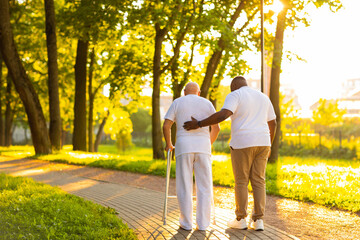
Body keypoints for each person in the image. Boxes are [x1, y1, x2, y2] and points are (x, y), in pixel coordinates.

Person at [183, 76, 276, 231]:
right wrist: (269, 143)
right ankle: (258, 220)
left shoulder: (235, 95)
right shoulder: (263, 97)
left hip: (243, 143)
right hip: (263, 142)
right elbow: (273, 122)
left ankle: (241, 219)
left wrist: (199, 123)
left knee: (241, 181)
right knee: (259, 181)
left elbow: (223, 114)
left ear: (233, 87)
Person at [163, 82, 220, 231]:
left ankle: (186, 223)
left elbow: (166, 125)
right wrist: (208, 143)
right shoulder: (207, 103)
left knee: (184, 185)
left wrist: (169, 144)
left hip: (184, 147)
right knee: (205, 186)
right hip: (203, 148)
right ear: (199, 93)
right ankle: (203, 224)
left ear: (184, 92)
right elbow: (216, 127)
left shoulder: (178, 102)